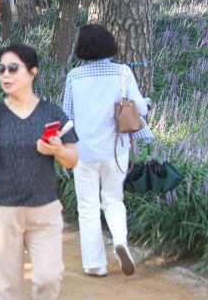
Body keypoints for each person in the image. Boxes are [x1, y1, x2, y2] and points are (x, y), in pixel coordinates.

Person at [0, 43, 78, 299]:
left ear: (33, 72)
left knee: (49, 278)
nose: (5, 74)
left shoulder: (52, 113)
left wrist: (57, 150)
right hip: (2, 211)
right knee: (7, 288)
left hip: (44, 210)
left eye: (13, 68)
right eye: (1, 68)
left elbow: (72, 160)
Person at [63, 24, 148, 278]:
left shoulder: (74, 77)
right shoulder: (123, 72)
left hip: (84, 153)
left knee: (88, 207)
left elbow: (68, 117)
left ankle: (95, 265)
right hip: (116, 150)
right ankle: (120, 240)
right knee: (113, 200)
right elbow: (141, 109)